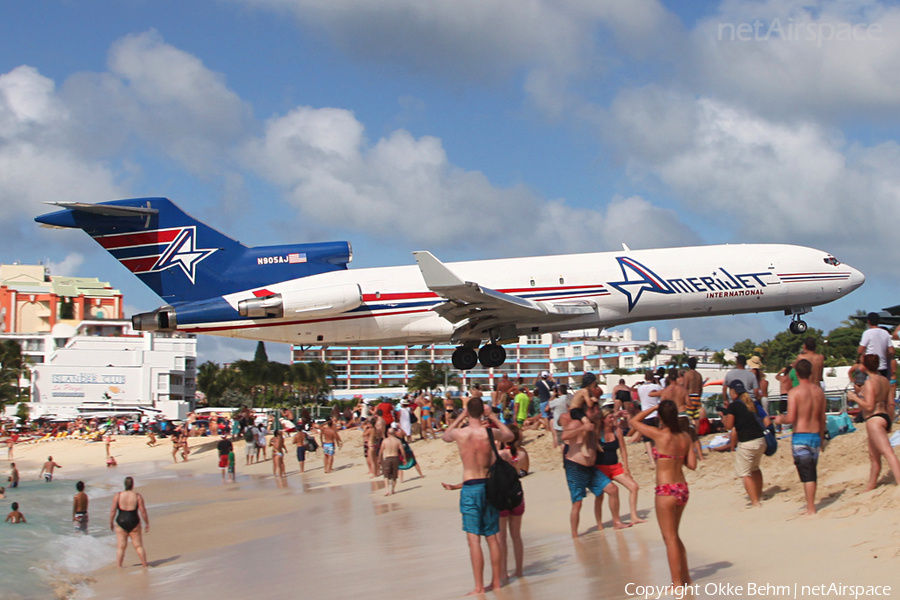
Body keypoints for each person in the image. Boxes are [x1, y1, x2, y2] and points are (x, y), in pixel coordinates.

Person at [442, 398, 514, 595]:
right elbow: (509, 435)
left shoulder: (461, 433)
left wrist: (462, 416)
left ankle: (479, 586)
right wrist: (491, 416)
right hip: (488, 484)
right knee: (492, 536)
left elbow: (445, 436)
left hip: (471, 485)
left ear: (467, 411)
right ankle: (497, 583)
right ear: (482, 410)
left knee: (474, 539)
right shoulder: (490, 432)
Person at [630, 399, 697, 588]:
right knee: (675, 536)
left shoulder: (660, 435)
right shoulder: (685, 437)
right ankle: (685, 578)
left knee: (669, 538)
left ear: (660, 416)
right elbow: (692, 465)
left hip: (665, 490)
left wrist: (652, 408)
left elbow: (634, 422)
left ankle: (676, 583)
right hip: (682, 488)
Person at [771, 359, 827, 514]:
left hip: (801, 435)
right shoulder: (818, 391)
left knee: (807, 473)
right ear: (810, 372)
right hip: (815, 434)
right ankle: (811, 504)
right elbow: (822, 418)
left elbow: (790, 418)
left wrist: (779, 419)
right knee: (811, 471)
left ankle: (811, 508)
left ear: (796, 373)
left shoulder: (794, 392)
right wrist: (822, 439)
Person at [562, 406, 626, 536]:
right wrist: (582, 428)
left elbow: (608, 422)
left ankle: (617, 522)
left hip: (591, 468)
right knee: (577, 504)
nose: (597, 412)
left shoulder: (595, 426)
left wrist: (617, 415)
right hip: (576, 467)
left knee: (613, 489)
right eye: (594, 410)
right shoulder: (576, 423)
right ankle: (574, 535)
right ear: (585, 414)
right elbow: (564, 436)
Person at [847, 354, 900, 492]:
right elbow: (890, 403)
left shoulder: (870, 382)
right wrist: (889, 421)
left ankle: (899, 481)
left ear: (865, 366)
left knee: (887, 452)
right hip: (883, 416)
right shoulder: (884, 380)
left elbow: (869, 406)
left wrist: (855, 398)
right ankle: (870, 486)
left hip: (874, 418)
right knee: (874, 456)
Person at [721, 380, 769, 507]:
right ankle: (759, 494)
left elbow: (728, 426)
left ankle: (755, 502)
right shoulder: (750, 402)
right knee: (755, 468)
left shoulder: (734, 406)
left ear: (733, 391)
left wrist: (723, 415)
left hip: (747, 442)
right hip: (760, 440)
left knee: (744, 473)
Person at [596, 406, 646, 525]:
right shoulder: (597, 432)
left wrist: (626, 468)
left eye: (613, 417)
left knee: (633, 487)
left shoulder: (616, 431)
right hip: (600, 468)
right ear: (603, 419)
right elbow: (593, 422)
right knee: (600, 496)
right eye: (610, 417)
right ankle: (601, 523)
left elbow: (623, 450)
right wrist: (617, 414)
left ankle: (634, 516)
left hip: (615, 467)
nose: (613, 419)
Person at [495, 424, 528, 582]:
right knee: (516, 536)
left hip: (501, 495)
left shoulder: (500, 453)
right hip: (516, 494)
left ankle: (503, 573)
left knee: (501, 538)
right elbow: (521, 471)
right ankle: (519, 570)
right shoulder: (522, 454)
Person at [110, 477, 149, 568]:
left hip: (121, 521)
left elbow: (113, 511)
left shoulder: (118, 495)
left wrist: (111, 522)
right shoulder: (137, 496)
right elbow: (142, 511)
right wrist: (146, 522)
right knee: (138, 546)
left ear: (124, 484)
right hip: (134, 520)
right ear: (133, 485)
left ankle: (119, 566)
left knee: (121, 547)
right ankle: (144, 565)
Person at [637, 371, 663, 465]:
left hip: (645, 414)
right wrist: (657, 382)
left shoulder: (640, 388)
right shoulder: (656, 387)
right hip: (656, 413)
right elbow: (663, 392)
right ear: (653, 378)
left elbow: (640, 400)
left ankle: (652, 461)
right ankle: (659, 456)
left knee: (647, 440)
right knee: (657, 438)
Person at [859, 312, 894, 378]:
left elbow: (860, 350)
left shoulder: (867, 333)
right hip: (883, 367)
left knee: (872, 385)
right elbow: (892, 351)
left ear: (868, 322)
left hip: (871, 367)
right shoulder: (885, 332)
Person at [380, 424, 406, 496]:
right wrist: (404, 459)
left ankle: (387, 490)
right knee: (394, 475)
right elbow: (402, 451)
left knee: (386, 475)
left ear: (387, 433)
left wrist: (379, 459)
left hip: (388, 458)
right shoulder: (397, 441)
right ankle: (393, 490)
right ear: (394, 433)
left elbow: (381, 451)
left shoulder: (385, 441)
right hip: (395, 458)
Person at [683, 358, 703, 423]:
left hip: (690, 397)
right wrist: (699, 397)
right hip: (697, 397)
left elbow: (685, 387)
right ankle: (697, 433)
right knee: (697, 419)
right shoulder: (699, 375)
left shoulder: (687, 374)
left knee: (689, 418)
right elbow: (701, 388)